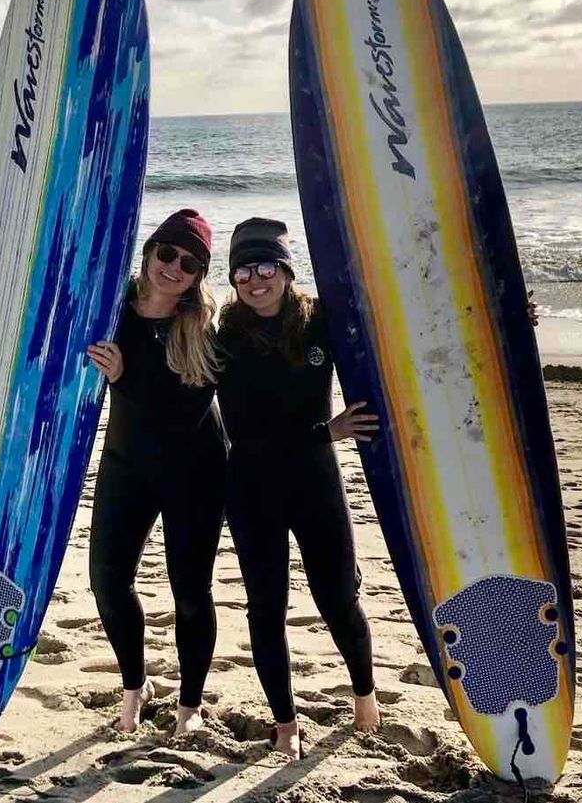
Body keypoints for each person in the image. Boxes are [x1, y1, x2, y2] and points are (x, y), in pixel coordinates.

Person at [216, 217, 381, 760]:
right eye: (243, 271)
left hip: (315, 482)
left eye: (265, 266)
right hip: (252, 487)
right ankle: (285, 724)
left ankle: (365, 696)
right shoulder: (227, 337)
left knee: (338, 598)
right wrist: (326, 431)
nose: (254, 280)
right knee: (267, 608)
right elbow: (244, 430)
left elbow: (396, 326)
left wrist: (504, 314)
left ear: (286, 270)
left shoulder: (321, 320)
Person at [84, 209, 227, 736]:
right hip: (127, 464)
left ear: (198, 276)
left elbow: (185, 412)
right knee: (107, 583)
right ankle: (134, 684)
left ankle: (189, 705)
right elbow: (41, 287)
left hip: (196, 471)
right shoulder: (108, 305)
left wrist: (123, 377)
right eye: (167, 253)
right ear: (148, 251)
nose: (174, 267)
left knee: (190, 592)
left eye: (189, 264)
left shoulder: (203, 327)